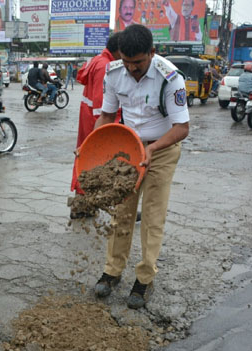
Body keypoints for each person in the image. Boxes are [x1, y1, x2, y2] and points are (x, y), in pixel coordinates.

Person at [92, 24, 189, 309]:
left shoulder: (170, 78)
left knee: (152, 216)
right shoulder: (113, 73)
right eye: (127, 62)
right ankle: (112, 271)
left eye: (138, 63)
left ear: (152, 53)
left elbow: (182, 127)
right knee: (120, 212)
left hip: (162, 148)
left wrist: (153, 148)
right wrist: (93, 145)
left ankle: (145, 278)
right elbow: (107, 115)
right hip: (128, 149)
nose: (132, 69)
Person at [71, 33, 122, 202]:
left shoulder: (98, 60)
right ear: (119, 51)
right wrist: (108, 131)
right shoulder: (104, 67)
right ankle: (88, 201)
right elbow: (102, 107)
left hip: (89, 117)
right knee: (97, 159)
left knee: (87, 157)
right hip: (96, 120)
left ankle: (83, 201)